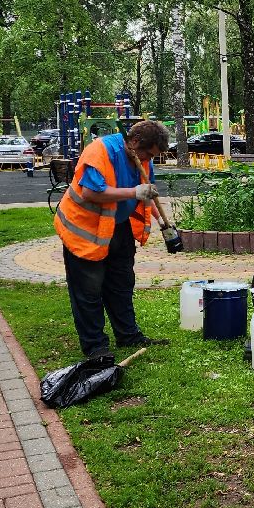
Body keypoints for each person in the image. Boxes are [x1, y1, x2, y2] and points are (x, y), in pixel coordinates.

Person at [54, 119, 170, 358]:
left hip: (116, 226)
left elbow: (146, 192)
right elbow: (90, 192)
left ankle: (128, 336)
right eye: (148, 154)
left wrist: (163, 223)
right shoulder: (100, 151)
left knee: (121, 284)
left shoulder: (142, 159)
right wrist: (133, 192)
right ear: (134, 142)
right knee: (89, 290)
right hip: (83, 229)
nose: (149, 160)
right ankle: (96, 347)